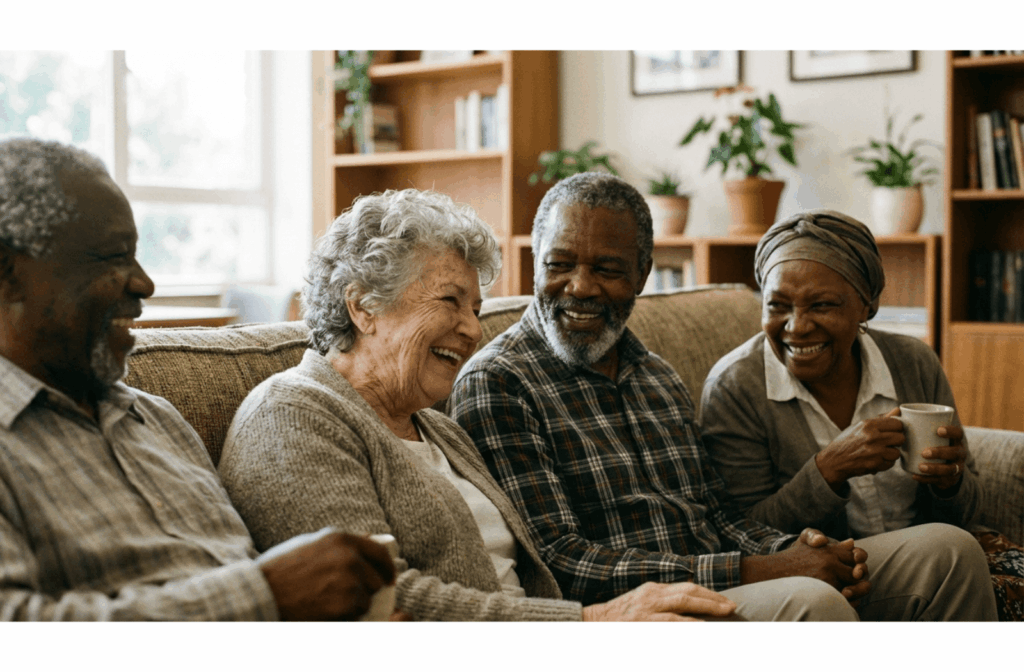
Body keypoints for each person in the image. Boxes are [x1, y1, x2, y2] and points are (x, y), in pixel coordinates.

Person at [449, 171, 997, 621]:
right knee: (813, 600)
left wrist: (795, 550)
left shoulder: (656, 376)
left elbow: (716, 516)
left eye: (607, 269)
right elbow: (557, 561)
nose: (581, 286)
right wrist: (766, 569)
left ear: (643, 275)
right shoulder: (499, 383)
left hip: (724, 573)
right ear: (535, 262)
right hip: (641, 606)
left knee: (947, 553)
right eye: (559, 264)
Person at [218, 188, 740, 621]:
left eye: (476, 307)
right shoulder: (292, 414)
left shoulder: (439, 430)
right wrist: (588, 623)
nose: (472, 330)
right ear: (363, 306)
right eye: (450, 301)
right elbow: (375, 597)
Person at [0, 137, 397, 621]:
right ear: (9, 276)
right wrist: (267, 595)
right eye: (111, 257)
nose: (145, 283)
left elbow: (236, 571)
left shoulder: (156, 418)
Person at [699, 208, 1022, 620]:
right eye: (777, 305)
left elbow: (969, 514)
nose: (796, 327)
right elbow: (739, 534)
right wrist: (827, 470)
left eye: (822, 304)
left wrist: (951, 482)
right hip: (825, 584)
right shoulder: (736, 387)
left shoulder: (912, 362)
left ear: (867, 305)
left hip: (923, 563)